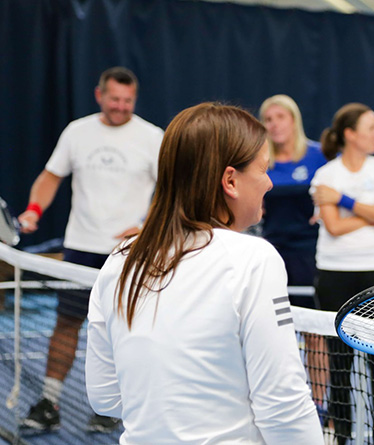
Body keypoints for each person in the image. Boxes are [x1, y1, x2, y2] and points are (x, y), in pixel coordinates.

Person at [85, 102, 324, 443]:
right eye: (262, 170)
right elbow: (282, 403)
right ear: (231, 180)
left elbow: (105, 397)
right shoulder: (254, 258)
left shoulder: (120, 260)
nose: (269, 183)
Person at [18, 67, 163, 433]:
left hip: (131, 253)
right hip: (80, 249)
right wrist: (34, 211)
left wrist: (147, 226)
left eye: (128, 101)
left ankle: (115, 406)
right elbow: (51, 176)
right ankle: (49, 402)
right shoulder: (77, 131)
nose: (120, 106)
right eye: (114, 99)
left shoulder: (152, 137)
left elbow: (170, 190)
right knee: (66, 323)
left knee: (128, 331)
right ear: (99, 95)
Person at [310, 103, 374, 445]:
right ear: (350, 134)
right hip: (334, 274)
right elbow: (332, 226)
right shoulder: (325, 175)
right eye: (371, 128)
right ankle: (341, 431)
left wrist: (345, 199)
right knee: (339, 361)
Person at [258, 94, 329, 415]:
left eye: (280, 117)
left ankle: (320, 405)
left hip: (310, 255)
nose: (274, 124)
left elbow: (345, 186)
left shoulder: (319, 156)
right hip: (270, 253)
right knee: (273, 334)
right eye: (268, 119)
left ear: (293, 120)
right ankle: (278, 403)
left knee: (314, 333)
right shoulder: (258, 158)